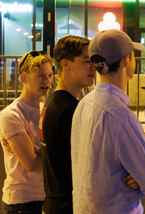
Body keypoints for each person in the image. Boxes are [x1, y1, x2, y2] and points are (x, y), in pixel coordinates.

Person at [70, 29, 145, 213]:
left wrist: (140, 179)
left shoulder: (83, 104)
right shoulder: (119, 115)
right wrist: (141, 179)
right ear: (126, 60)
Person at [41, 36, 95, 214]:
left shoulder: (56, 103)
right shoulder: (68, 110)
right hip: (68, 205)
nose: (93, 68)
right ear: (65, 64)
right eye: (87, 61)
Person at [0, 51, 54, 214]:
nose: (48, 82)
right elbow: (32, 164)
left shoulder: (47, 110)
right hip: (22, 201)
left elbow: (39, 157)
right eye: (41, 76)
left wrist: (40, 150)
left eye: (50, 75)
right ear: (23, 78)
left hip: (47, 196)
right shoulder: (11, 115)